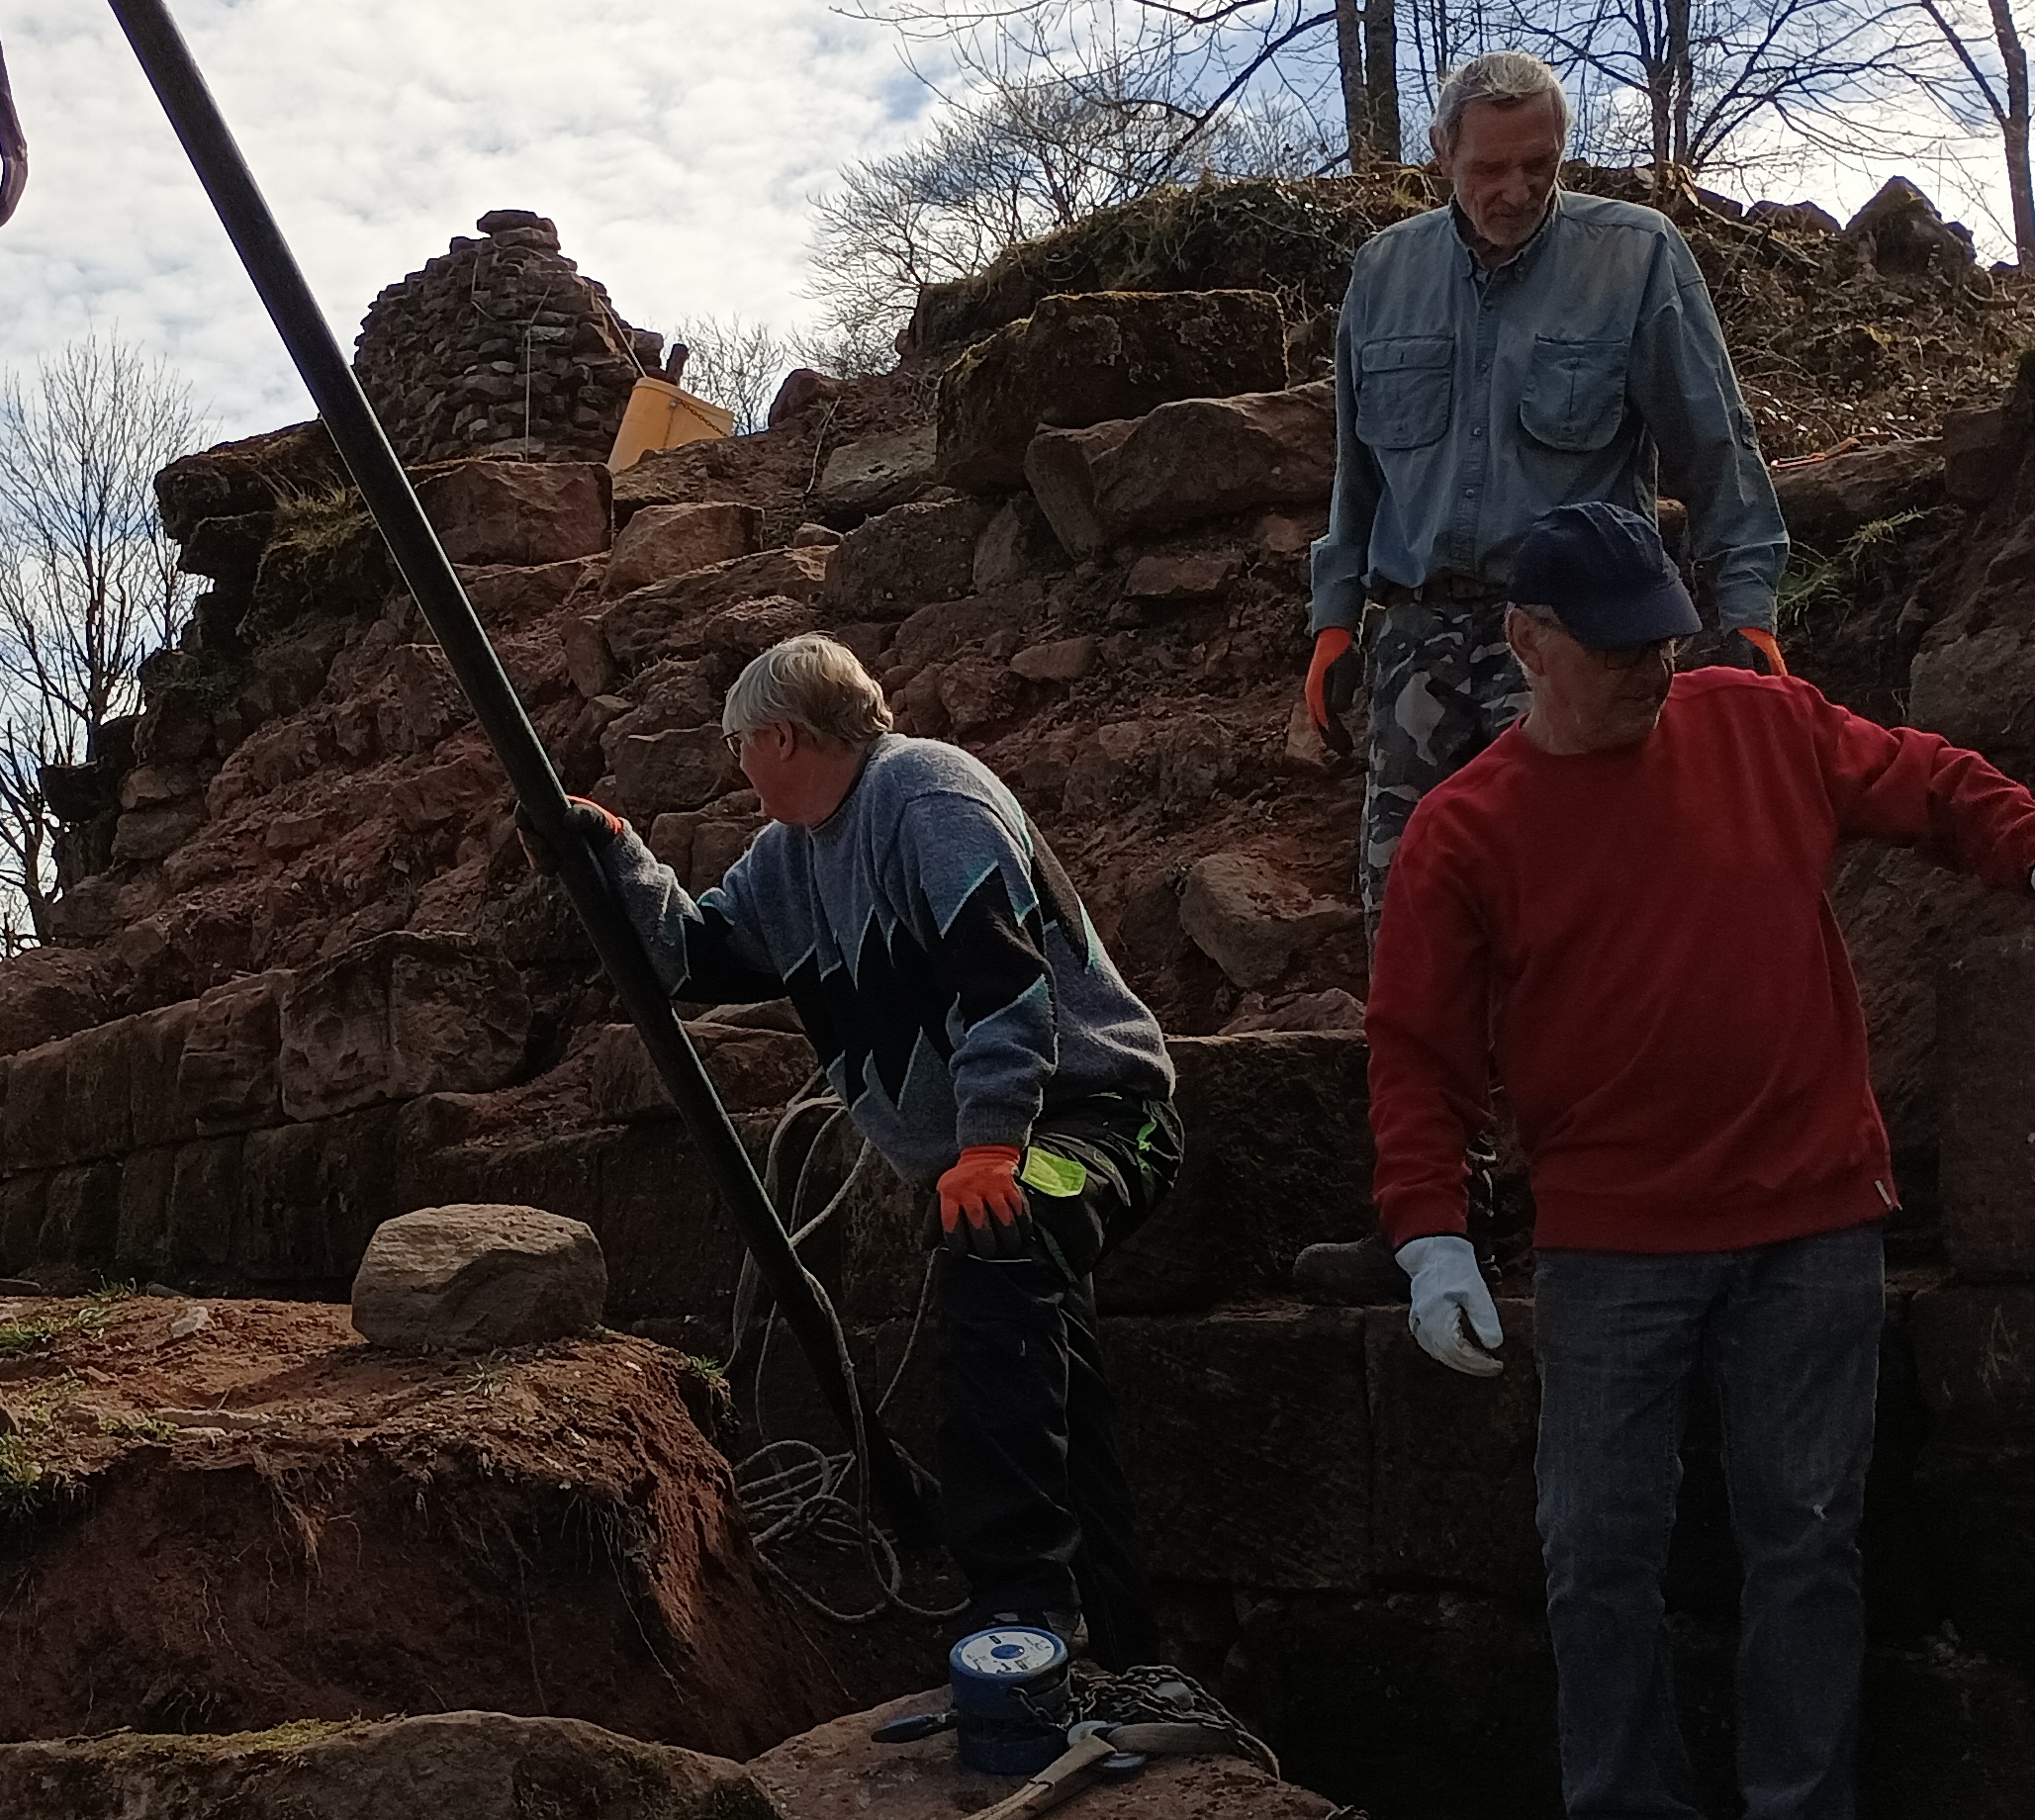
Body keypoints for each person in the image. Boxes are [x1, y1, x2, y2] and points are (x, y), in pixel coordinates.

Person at [1366, 502, 2035, 1820]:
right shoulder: (1466, 828)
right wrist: (1430, 1235)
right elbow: (1419, 1051)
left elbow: (1930, 780)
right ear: (1528, 640)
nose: (1653, 668)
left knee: (1808, 1542)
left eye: (1664, 638)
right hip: (1612, 1242)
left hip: (1810, 1218)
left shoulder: (1759, 724)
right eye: (1618, 647)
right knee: (1595, 1554)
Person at [567, 632, 1182, 1671]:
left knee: (999, 1243)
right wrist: (614, 852)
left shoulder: (927, 796)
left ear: (781, 736)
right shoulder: (791, 858)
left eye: (737, 744)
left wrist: (990, 1145)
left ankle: (1021, 1611)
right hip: (1003, 1145)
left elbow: (1002, 979)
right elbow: (695, 958)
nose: (736, 765)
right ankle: (1122, 1658)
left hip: (1096, 1118)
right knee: (1054, 1389)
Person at [1306, 49, 1792, 919]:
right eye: (1489, 169)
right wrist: (1335, 618)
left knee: (1577, 912)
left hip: (1581, 635)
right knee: (1413, 910)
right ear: (1441, 153)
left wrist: (1748, 608)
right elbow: (1359, 466)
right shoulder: (1384, 274)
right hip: (1419, 637)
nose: (1517, 190)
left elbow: (1715, 445)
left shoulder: (1634, 255)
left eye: (1540, 164)